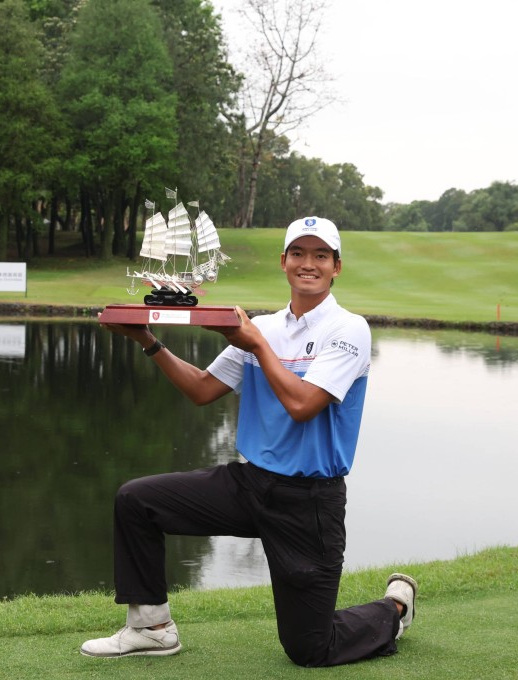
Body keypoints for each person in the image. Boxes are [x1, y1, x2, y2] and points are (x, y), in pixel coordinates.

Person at [81, 217, 418, 666]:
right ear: (284, 261)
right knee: (137, 501)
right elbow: (202, 389)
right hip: (250, 485)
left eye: (321, 255)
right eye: (298, 253)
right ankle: (151, 629)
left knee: (310, 648)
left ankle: (394, 607)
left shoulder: (348, 329)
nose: (308, 263)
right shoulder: (264, 327)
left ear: (336, 266)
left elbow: (303, 405)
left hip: (309, 503)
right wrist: (148, 340)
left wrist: (257, 345)